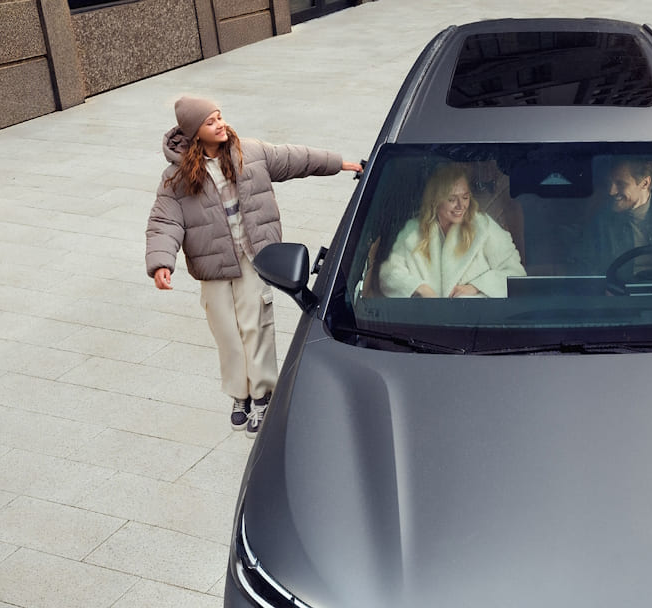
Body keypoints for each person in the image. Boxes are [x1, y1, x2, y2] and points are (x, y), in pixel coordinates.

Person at [145, 95, 361, 436]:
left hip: (253, 257)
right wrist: (162, 262)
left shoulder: (250, 152)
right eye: (210, 122)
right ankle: (240, 394)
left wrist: (341, 164)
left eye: (219, 117)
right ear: (194, 132)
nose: (220, 124)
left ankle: (262, 394)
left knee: (256, 325)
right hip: (212, 265)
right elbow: (165, 221)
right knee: (226, 333)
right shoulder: (176, 177)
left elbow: (296, 159)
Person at [378, 163, 526, 299]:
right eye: (452, 199)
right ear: (435, 200)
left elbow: (515, 273)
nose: (461, 206)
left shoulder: (483, 227)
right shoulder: (413, 231)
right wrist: (419, 288)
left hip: (475, 316)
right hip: (426, 317)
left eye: (465, 197)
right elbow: (389, 274)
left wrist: (476, 287)